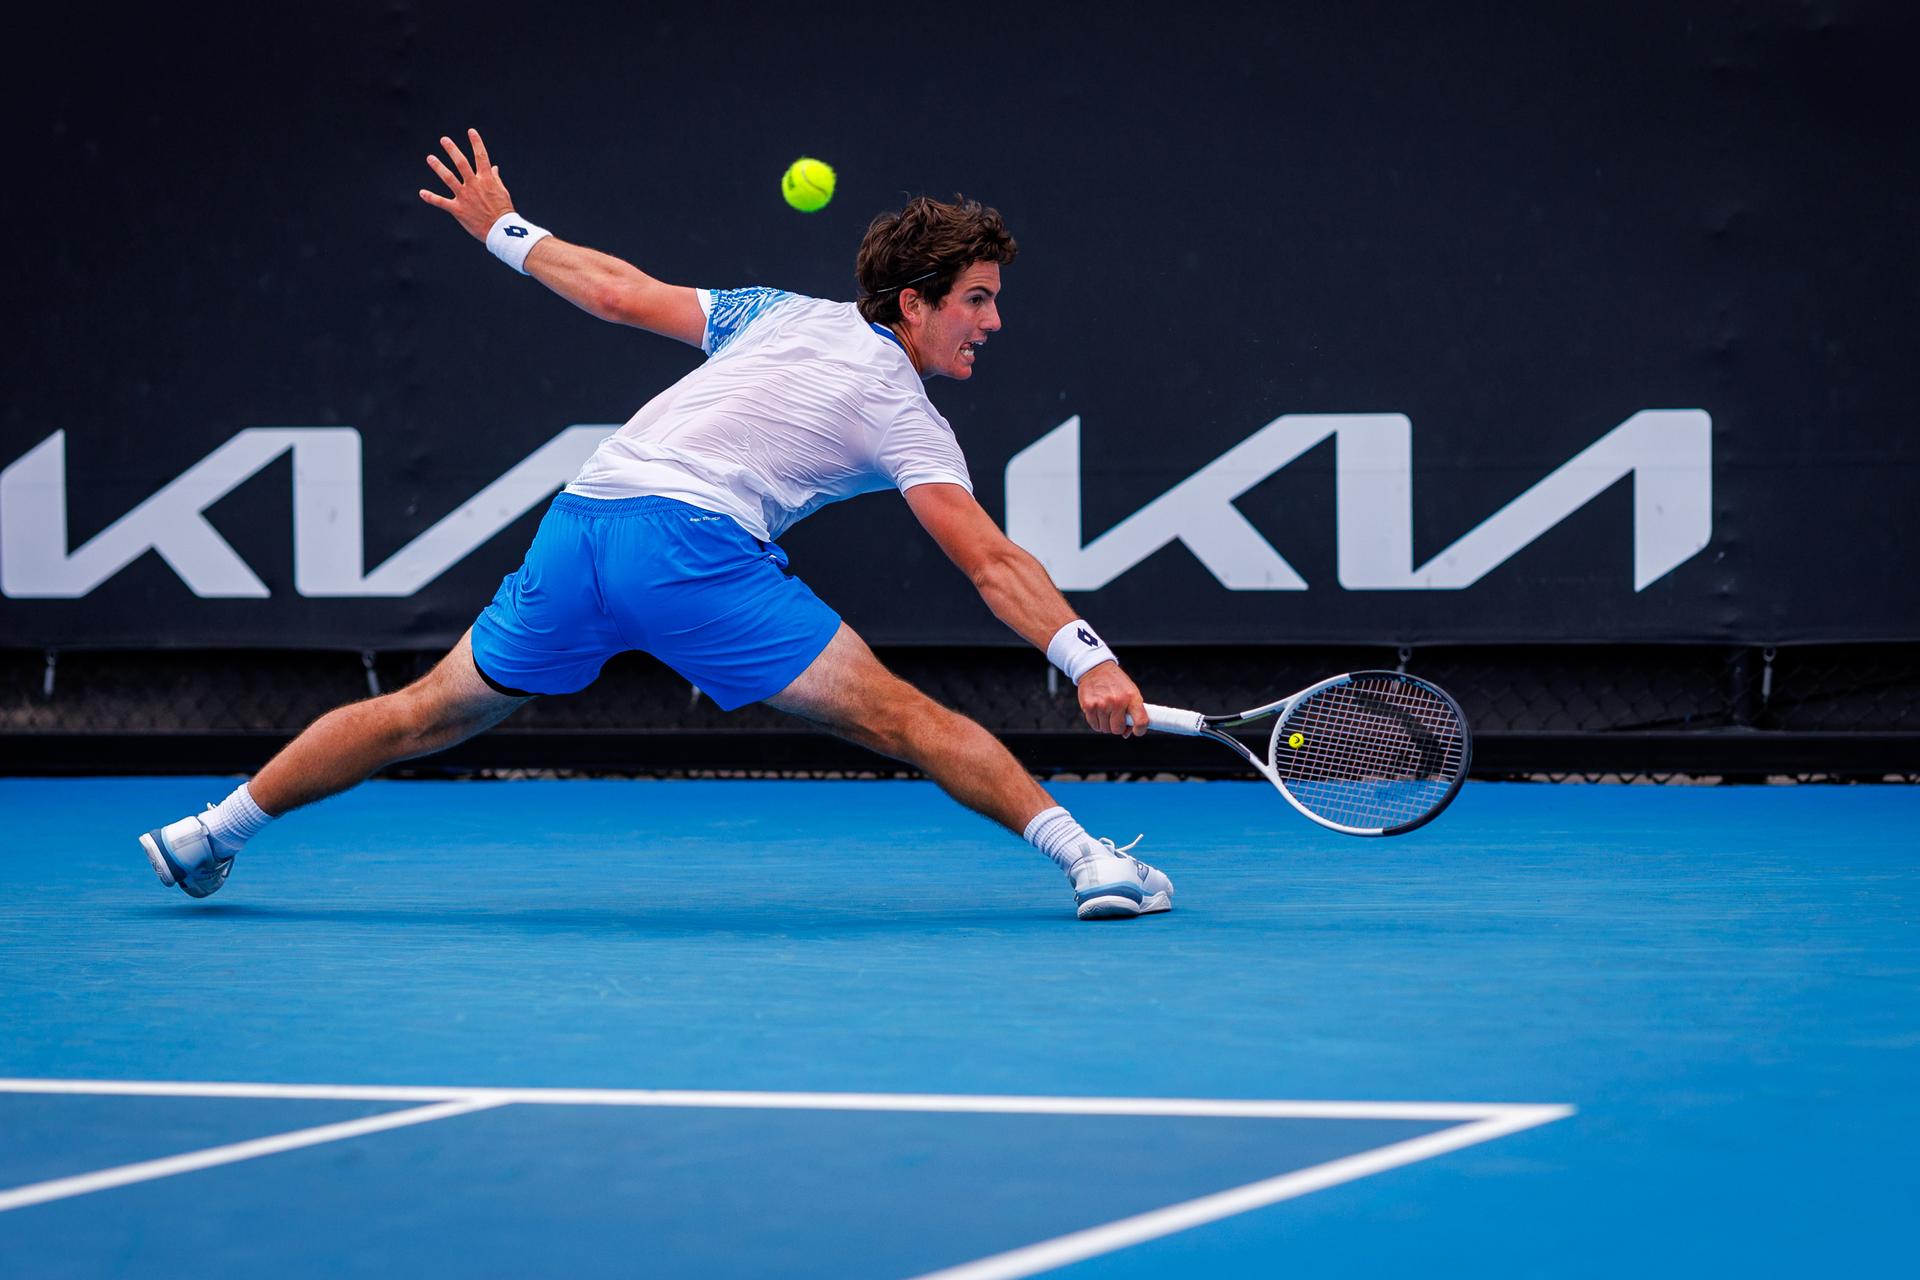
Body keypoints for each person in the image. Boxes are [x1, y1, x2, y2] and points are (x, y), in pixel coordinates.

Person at [138, 128, 1173, 921]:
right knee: (904, 717)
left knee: (422, 710)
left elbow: (624, 296)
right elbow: (989, 562)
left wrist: (506, 227)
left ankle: (207, 831)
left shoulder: (775, 309)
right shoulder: (902, 411)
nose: (993, 322)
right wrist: (1087, 659)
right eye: (977, 300)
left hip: (583, 527)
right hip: (692, 548)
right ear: (913, 302)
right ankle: (1089, 857)